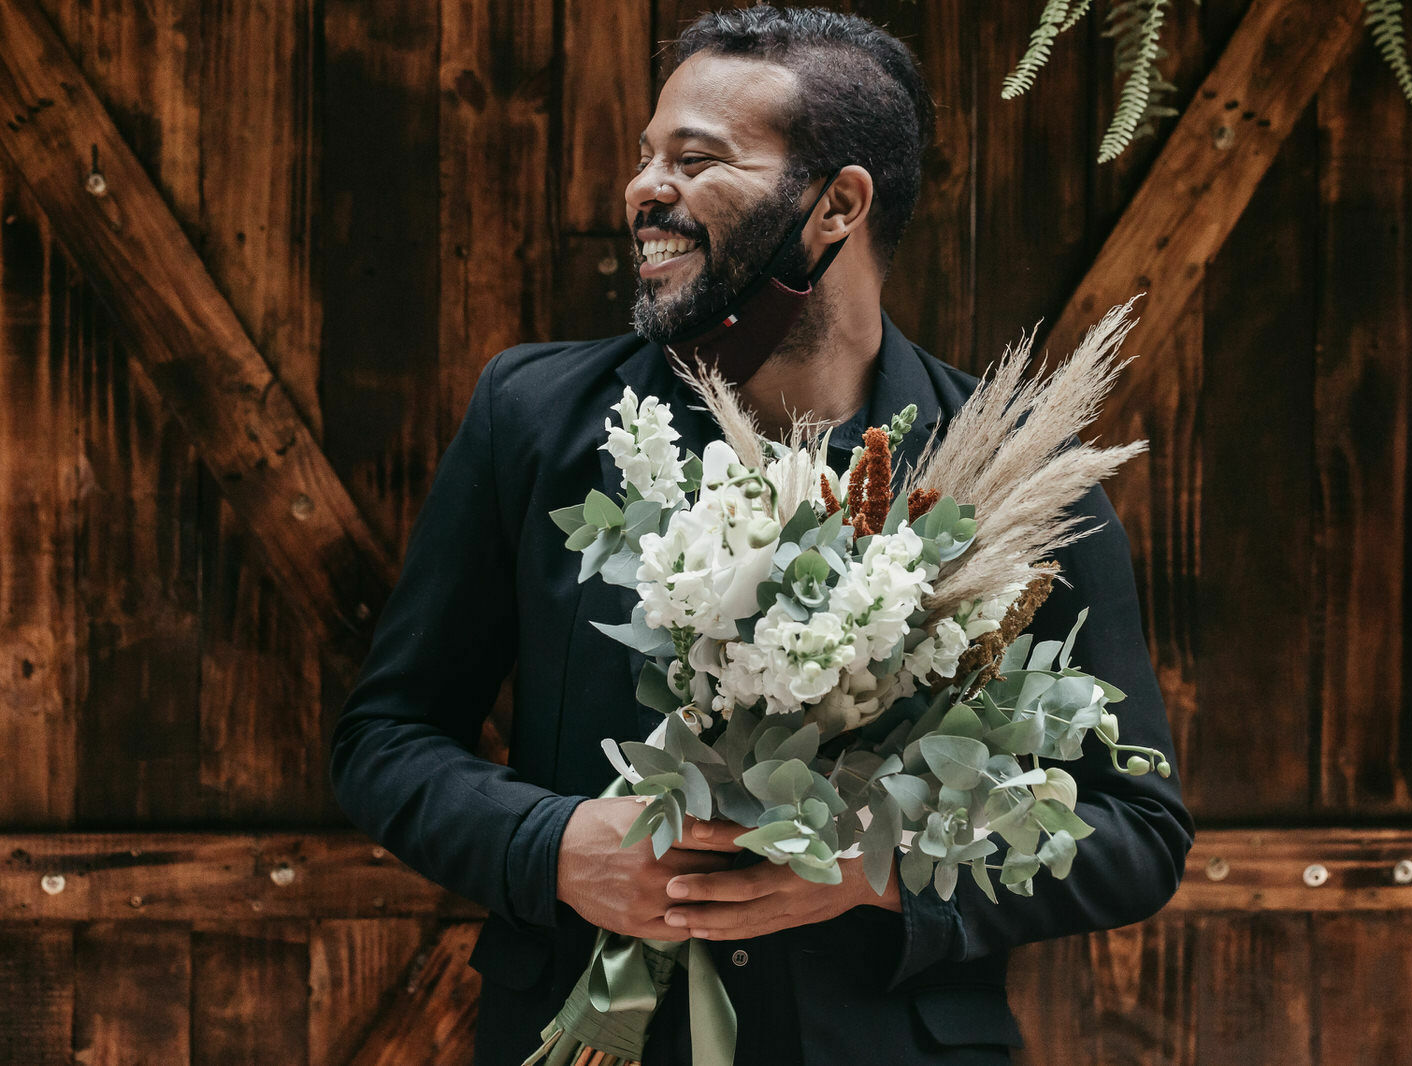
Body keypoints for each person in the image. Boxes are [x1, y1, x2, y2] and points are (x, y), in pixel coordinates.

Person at [330, 8, 1193, 1065]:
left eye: (694, 160)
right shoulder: (535, 420)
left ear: (836, 205)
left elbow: (1136, 835)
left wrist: (877, 869)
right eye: (647, 157)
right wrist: (548, 845)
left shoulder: (1020, 474)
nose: (645, 188)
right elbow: (386, 738)